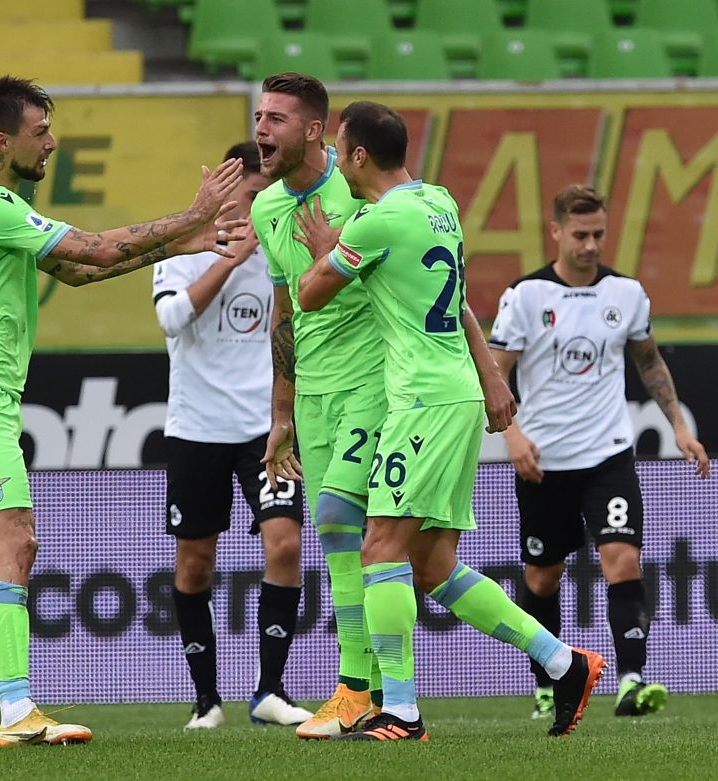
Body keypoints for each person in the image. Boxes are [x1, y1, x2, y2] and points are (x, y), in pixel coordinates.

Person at [0, 75, 245, 748]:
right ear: (2, 140)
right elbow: (97, 247)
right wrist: (192, 217)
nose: (52, 142)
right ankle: (18, 711)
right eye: (40, 132)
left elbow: (78, 271)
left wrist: (176, 248)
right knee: (15, 539)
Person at [295, 100, 605, 741]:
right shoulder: (438, 202)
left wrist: (329, 249)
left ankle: (401, 712)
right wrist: (492, 377)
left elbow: (310, 295)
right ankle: (562, 661)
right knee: (431, 564)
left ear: (357, 156)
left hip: (425, 402)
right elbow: (454, 297)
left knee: (378, 547)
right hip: (453, 394)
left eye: (338, 148)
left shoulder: (377, 222)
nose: (331, 159)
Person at [250, 73, 513, 740]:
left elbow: (438, 290)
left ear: (317, 131)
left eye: (276, 118)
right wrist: (281, 411)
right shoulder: (265, 209)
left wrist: (489, 375)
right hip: (315, 390)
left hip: (381, 383)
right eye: (259, 116)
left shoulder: (365, 185)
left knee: (350, 520)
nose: (261, 130)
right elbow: (285, 312)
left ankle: (359, 688)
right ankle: (556, 663)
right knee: (386, 548)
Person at [488, 185, 710, 720]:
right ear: (557, 231)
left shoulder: (627, 294)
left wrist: (679, 427)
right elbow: (495, 373)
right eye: (581, 235)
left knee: (623, 559)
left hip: (608, 455)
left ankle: (631, 681)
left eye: (599, 235)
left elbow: (650, 363)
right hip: (544, 460)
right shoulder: (526, 296)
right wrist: (511, 436)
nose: (591, 245)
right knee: (543, 576)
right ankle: (549, 684)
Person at [153, 141, 310, 731]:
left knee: (286, 545)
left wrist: (286, 417)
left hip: (264, 431)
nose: (255, 210)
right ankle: (206, 701)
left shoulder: (281, 252)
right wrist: (228, 259)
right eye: (247, 197)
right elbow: (171, 319)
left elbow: (289, 335)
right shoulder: (183, 249)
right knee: (195, 564)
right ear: (222, 193)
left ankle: (270, 690)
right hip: (196, 430)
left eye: (263, 198)